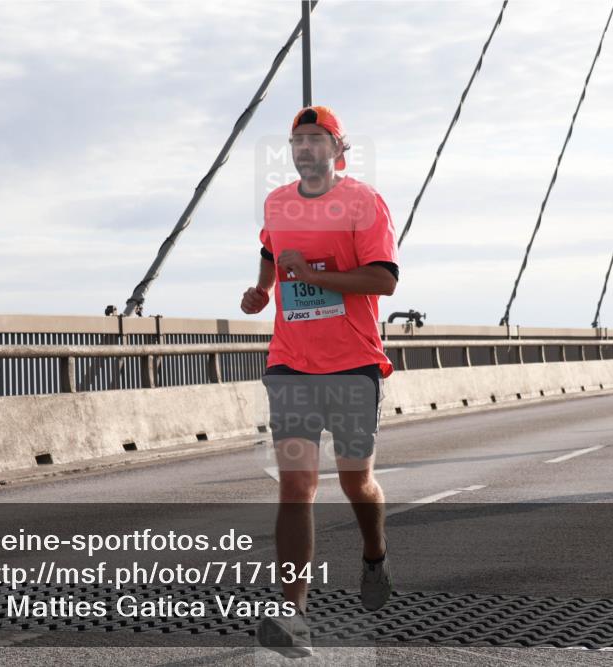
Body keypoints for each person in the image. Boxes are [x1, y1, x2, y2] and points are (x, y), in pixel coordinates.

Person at [240, 105, 399, 657]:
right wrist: (263, 290)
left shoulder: (364, 202)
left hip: (353, 363)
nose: (305, 148)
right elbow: (269, 249)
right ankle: (295, 616)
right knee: (295, 486)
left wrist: (312, 275)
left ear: (337, 149)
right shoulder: (277, 203)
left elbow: (384, 280)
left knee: (357, 482)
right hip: (291, 363)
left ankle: (375, 554)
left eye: (316, 139)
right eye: (297, 140)